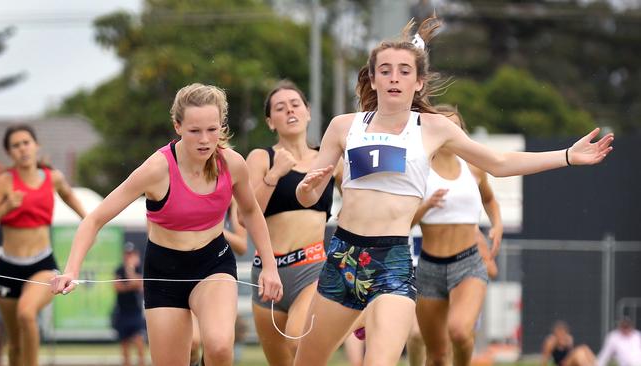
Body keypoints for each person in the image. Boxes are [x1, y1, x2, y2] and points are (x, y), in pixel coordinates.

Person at [293, 16, 613, 366]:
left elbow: (499, 162)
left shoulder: (433, 128)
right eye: (385, 70)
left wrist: (567, 155)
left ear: (418, 83)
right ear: (373, 78)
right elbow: (309, 197)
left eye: (404, 71)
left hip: (393, 263)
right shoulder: (343, 127)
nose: (394, 77)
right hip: (345, 257)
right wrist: (307, 190)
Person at [50, 83, 283, 366]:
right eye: (194, 131)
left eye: (212, 129)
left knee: (220, 347)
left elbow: (251, 211)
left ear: (222, 126)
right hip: (164, 270)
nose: (205, 140)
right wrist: (71, 270)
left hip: (213, 264)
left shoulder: (231, 163)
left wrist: (270, 266)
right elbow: (94, 219)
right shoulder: (156, 169)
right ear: (178, 126)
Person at [245, 80, 341, 366]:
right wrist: (275, 174)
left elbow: (358, 202)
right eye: (280, 107)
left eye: (295, 104)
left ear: (308, 112)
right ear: (270, 121)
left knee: (297, 338)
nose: (289, 111)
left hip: (311, 268)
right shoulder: (262, 157)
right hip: (267, 272)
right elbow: (245, 214)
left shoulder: (330, 160)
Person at [410, 104, 503, 366]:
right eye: (442, 126)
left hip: (468, 263)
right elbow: (403, 223)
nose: (449, 132)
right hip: (430, 267)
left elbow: (490, 200)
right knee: (437, 356)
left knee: (460, 331)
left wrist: (497, 223)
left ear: (461, 131)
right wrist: (427, 206)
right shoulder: (419, 169)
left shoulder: (474, 167)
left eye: (455, 127)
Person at [0, 124, 86, 366]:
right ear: (9, 153)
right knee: (14, 344)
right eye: (16, 145)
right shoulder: (3, 182)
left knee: (26, 313)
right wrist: (5, 207)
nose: (22, 149)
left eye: (26, 143)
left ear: (36, 146)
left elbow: (69, 195)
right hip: (8, 268)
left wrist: (89, 221)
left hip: (42, 265)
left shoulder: (52, 178)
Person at [189, 200, 247, 366]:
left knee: (217, 345)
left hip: (215, 276)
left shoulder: (232, 201)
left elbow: (242, 246)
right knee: (192, 342)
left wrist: (214, 229)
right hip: (184, 274)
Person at [112, 241, 146, 366]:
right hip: (122, 311)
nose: (128, 256)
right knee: (124, 345)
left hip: (135, 312)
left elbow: (139, 284)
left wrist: (130, 270)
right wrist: (131, 284)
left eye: (131, 254)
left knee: (139, 342)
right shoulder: (119, 269)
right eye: (127, 254)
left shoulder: (139, 268)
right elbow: (117, 287)